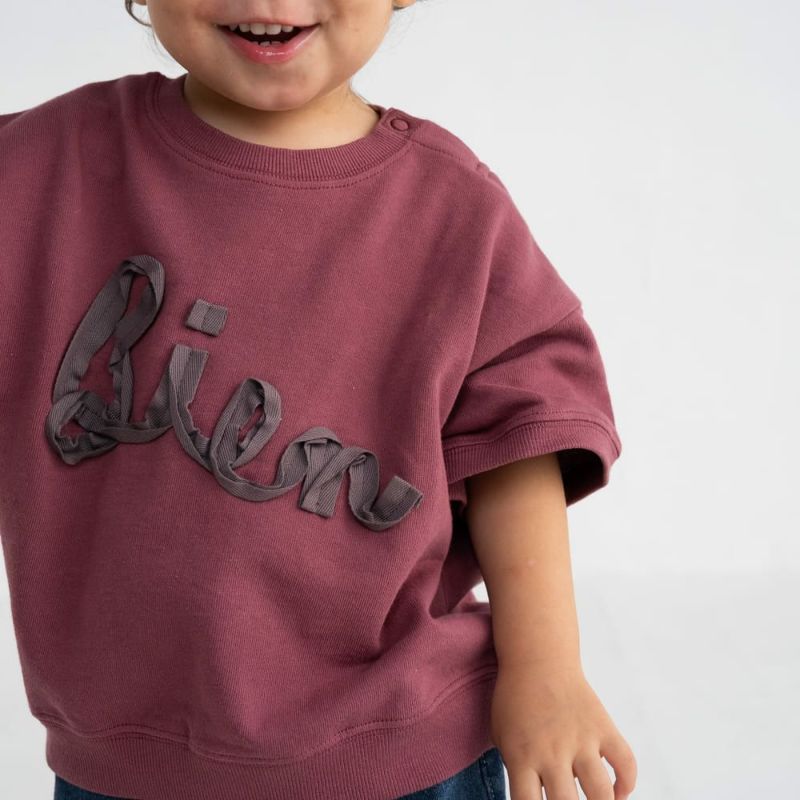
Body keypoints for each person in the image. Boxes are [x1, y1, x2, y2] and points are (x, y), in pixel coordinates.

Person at [0, 0, 638, 798]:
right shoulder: (46, 167)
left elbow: (517, 442)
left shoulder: (452, 211)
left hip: (405, 754)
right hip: (121, 764)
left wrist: (547, 670)